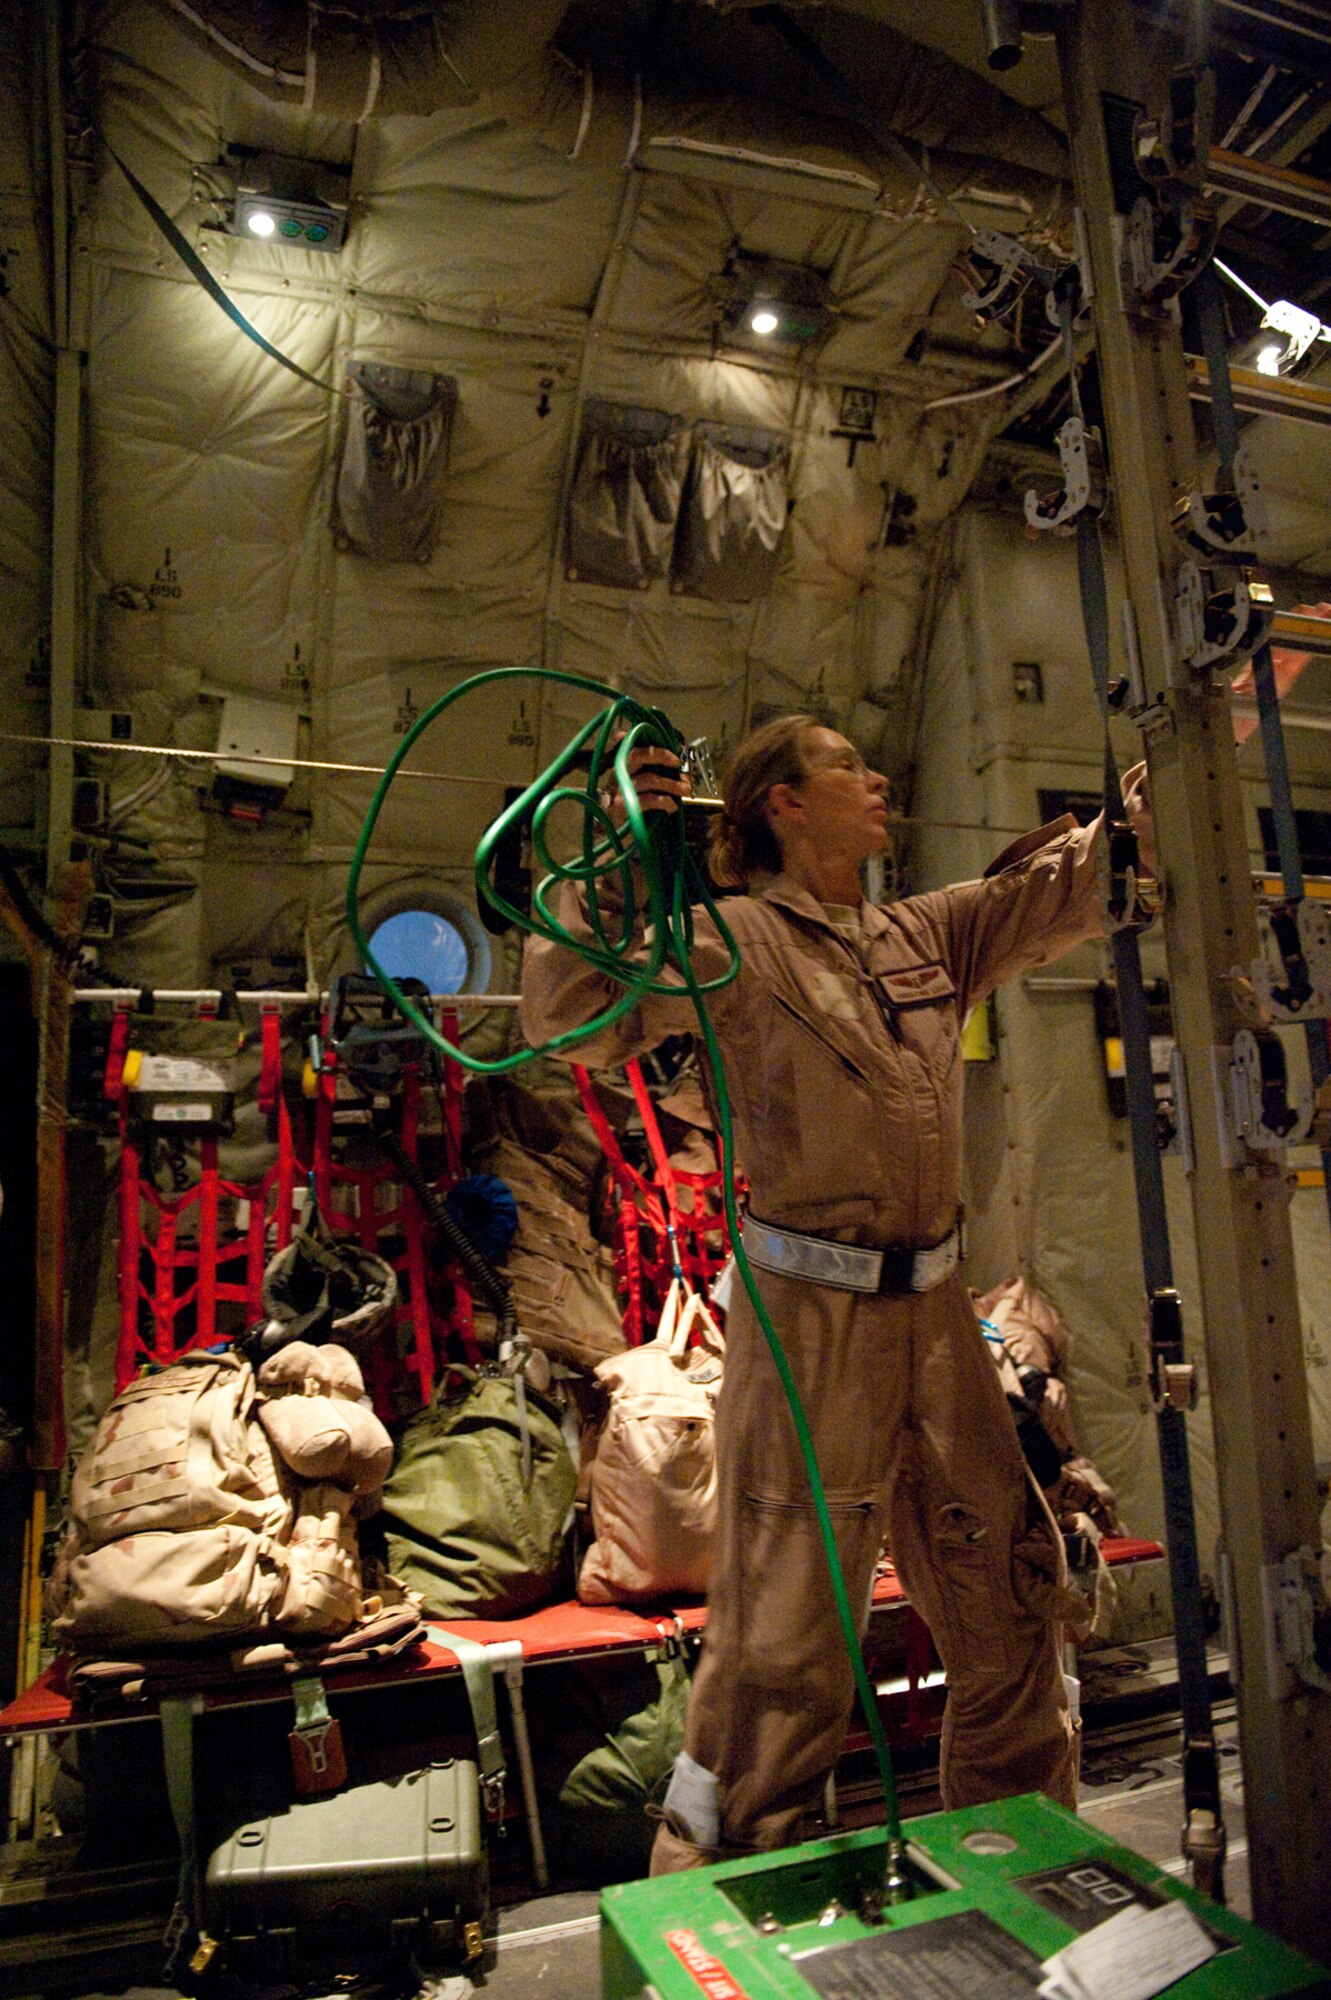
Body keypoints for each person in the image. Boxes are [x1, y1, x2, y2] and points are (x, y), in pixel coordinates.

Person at [520, 713, 1154, 1873]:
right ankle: (720, 1890)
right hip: (806, 1320)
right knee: (783, 1640)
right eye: (844, 766)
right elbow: (569, 1015)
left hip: (937, 1315)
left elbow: (1083, 880)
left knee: (1011, 1593)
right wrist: (616, 851)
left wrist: (1177, 760)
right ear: (781, 804)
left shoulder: (926, 933)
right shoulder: (729, 941)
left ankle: (1022, 1866)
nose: (876, 778)